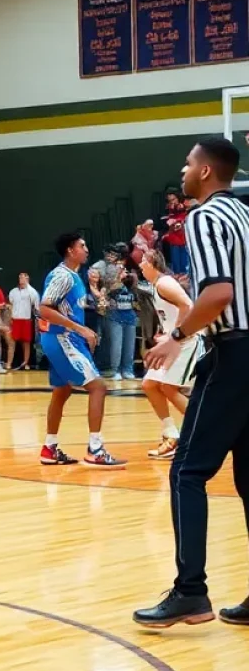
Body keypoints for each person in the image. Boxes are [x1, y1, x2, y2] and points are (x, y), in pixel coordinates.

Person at [135, 137, 249, 628]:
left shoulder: (203, 217)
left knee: (187, 472)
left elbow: (219, 293)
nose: (182, 171)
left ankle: (190, 592)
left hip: (234, 354)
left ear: (205, 172)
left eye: (187, 164)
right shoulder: (245, 215)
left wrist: (176, 336)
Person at [37, 232, 126, 470]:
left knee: (61, 392)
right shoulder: (62, 276)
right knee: (98, 387)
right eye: (82, 246)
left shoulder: (75, 276)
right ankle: (95, 449)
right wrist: (81, 329)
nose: (87, 250)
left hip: (61, 339)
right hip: (63, 339)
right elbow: (44, 309)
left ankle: (49, 448)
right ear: (70, 250)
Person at [136, 249, 197, 460]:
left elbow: (188, 305)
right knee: (150, 385)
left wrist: (174, 334)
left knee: (169, 388)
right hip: (173, 341)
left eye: (144, 261)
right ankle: (171, 436)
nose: (141, 265)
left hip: (187, 341)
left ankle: (202, 432)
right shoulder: (155, 286)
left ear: (153, 263)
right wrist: (165, 333)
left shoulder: (165, 283)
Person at [8, 273, 39, 370]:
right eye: (20, 277)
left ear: (27, 278)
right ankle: (9, 363)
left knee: (26, 342)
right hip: (15, 320)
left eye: (23, 277)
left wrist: (27, 285)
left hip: (26, 320)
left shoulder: (32, 292)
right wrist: (10, 319)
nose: (21, 278)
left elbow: (36, 306)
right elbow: (10, 305)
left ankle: (26, 363)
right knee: (12, 342)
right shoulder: (13, 291)